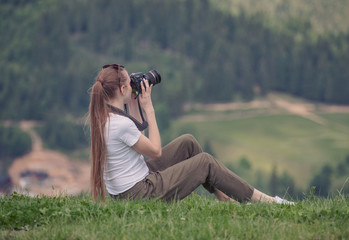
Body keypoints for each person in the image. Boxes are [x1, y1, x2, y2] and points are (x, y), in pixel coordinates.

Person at [88, 64, 294, 205]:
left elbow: (137, 137)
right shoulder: (120, 124)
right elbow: (155, 151)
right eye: (129, 83)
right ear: (123, 88)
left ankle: (224, 197)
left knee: (188, 142)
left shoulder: (105, 116)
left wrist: (133, 103)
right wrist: (148, 108)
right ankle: (269, 202)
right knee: (205, 162)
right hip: (140, 193)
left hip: (129, 188)